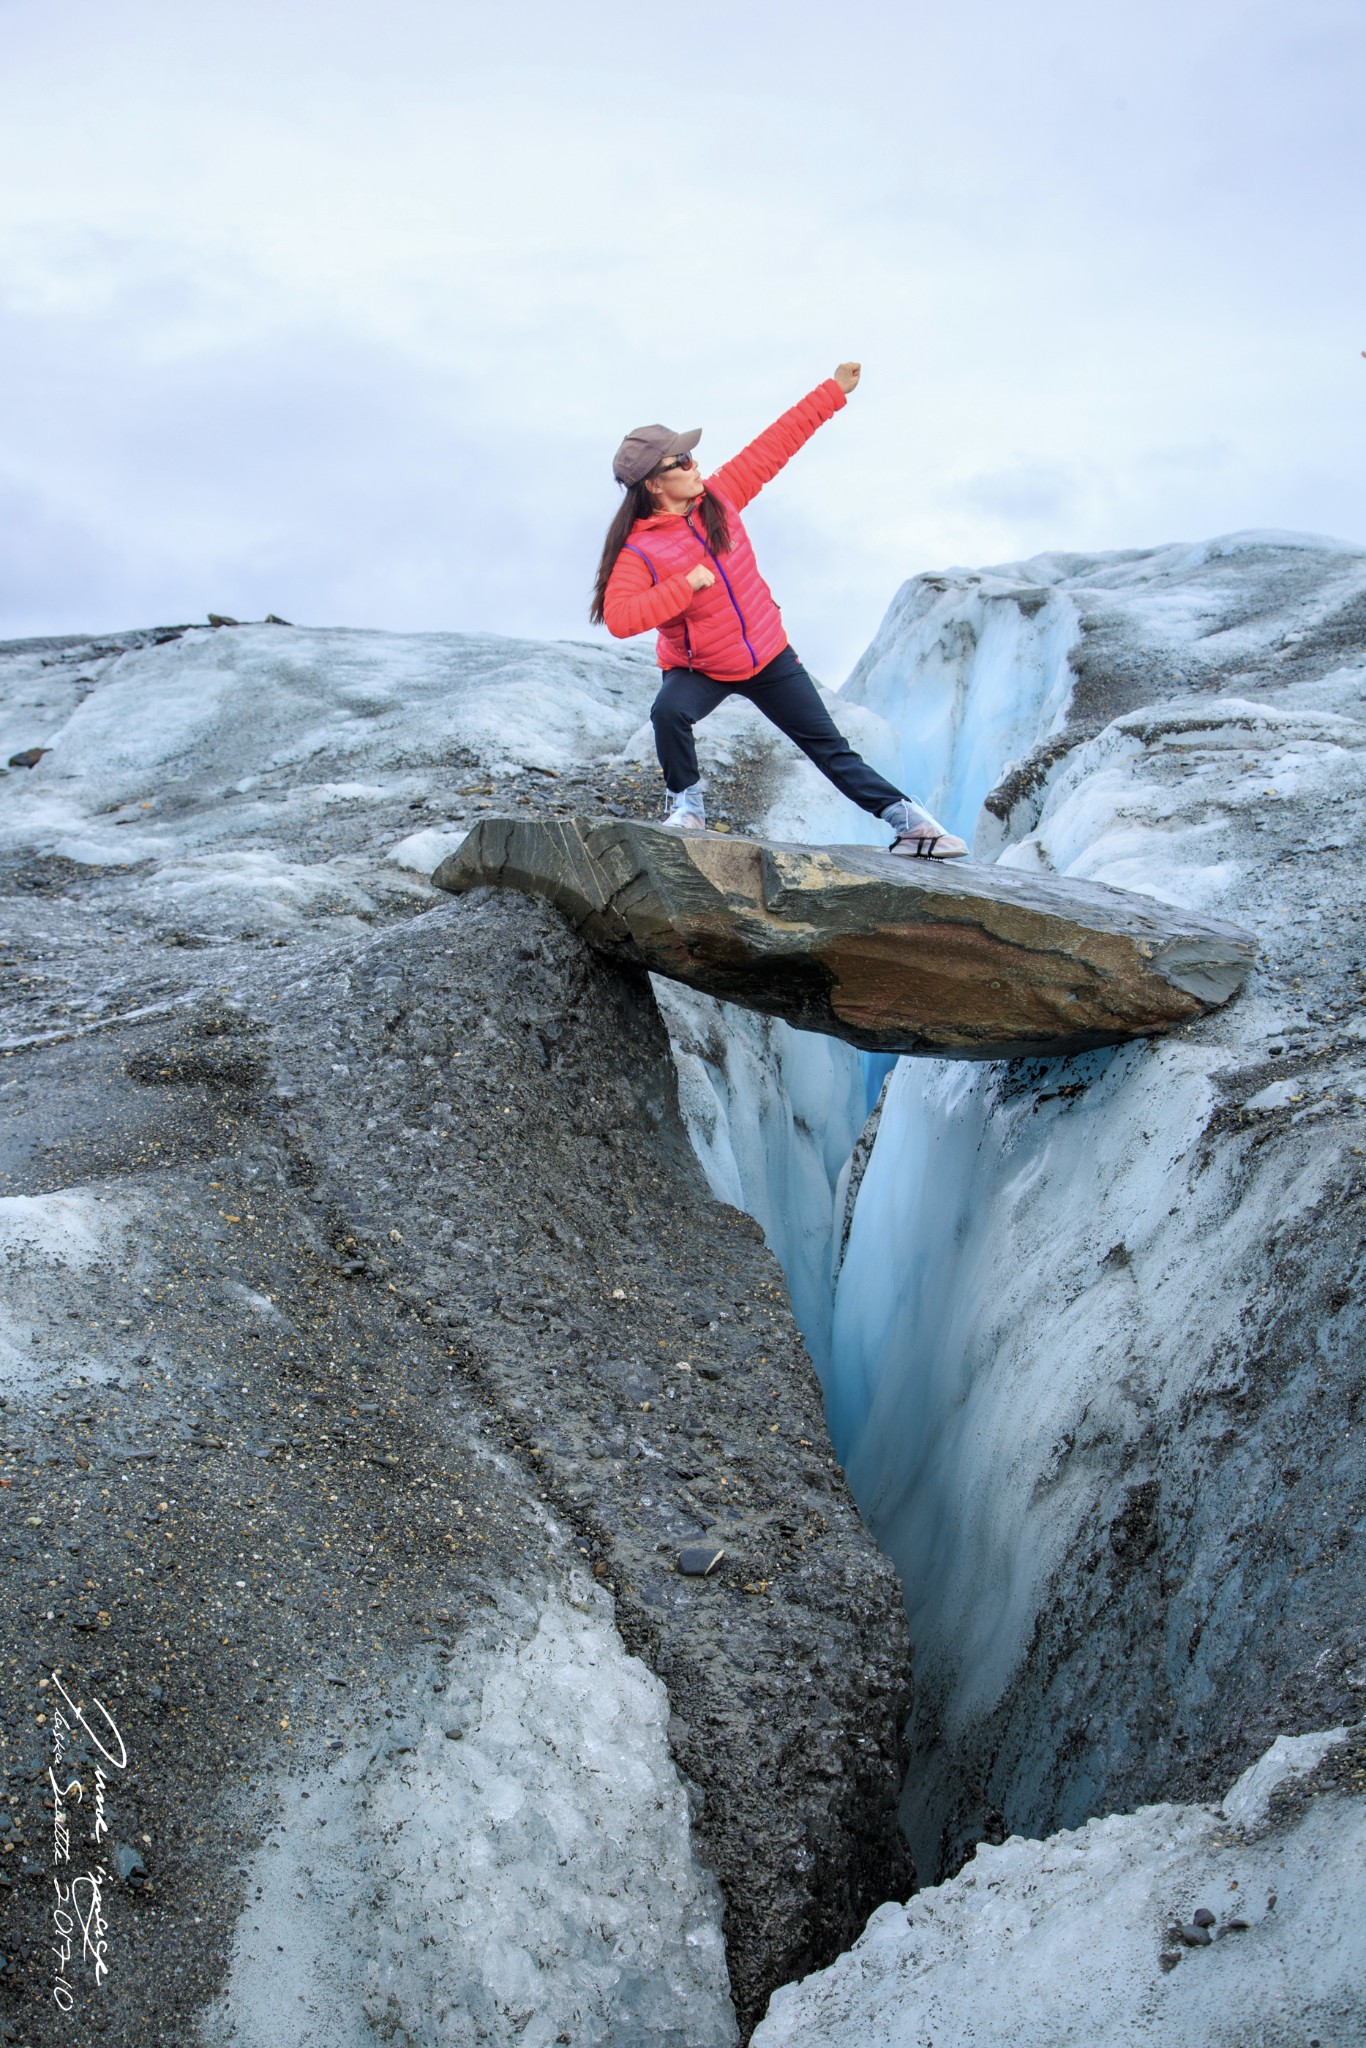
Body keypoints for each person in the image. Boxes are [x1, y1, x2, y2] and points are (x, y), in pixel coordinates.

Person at [589, 363, 967, 857]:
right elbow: (620, 617)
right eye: (681, 460)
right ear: (655, 484)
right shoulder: (638, 551)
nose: (694, 464)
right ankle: (686, 806)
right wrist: (683, 586)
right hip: (701, 666)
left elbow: (774, 445)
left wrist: (832, 391)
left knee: (829, 748)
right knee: (668, 711)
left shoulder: (719, 501)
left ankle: (911, 824)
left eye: (691, 455)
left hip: (768, 656)